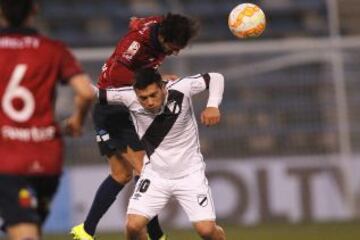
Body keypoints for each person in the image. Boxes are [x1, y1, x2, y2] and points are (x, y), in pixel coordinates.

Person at [71, 12, 199, 240]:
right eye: (174, 46)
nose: (176, 52)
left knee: (121, 174)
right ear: (163, 38)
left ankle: (85, 230)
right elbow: (117, 73)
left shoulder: (160, 25)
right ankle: (157, 235)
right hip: (113, 107)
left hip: (123, 106)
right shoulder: (136, 46)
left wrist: (135, 22)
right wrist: (156, 80)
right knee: (145, 168)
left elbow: (137, 22)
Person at [0, 1, 94, 240]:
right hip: (46, 156)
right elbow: (85, 92)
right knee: (28, 226)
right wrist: (77, 119)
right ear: (34, 10)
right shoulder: (54, 49)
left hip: (8, 156)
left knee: (24, 231)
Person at [96, 68, 226, 240]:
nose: (149, 102)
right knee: (133, 226)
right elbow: (94, 93)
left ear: (163, 87)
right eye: (143, 98)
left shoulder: (182, 87)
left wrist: (212, 105)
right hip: (155, 175)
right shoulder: (128, 96)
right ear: (136, 94)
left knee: (207, 231)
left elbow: (216, 77)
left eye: (153, 95)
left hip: (189, 175)